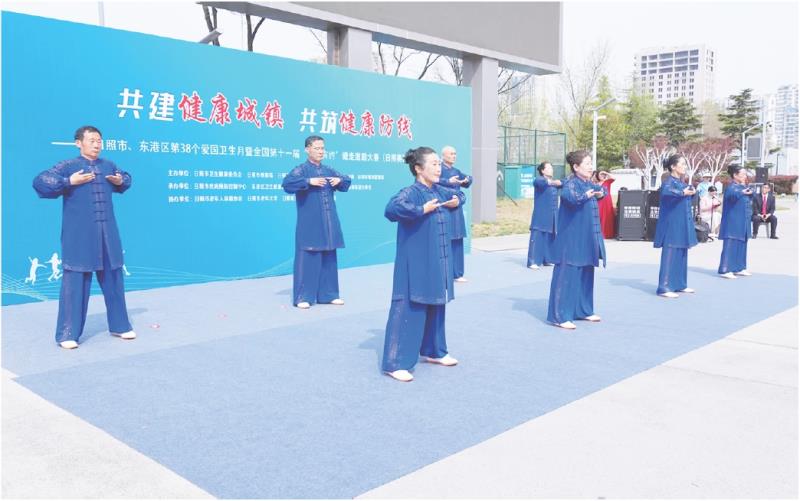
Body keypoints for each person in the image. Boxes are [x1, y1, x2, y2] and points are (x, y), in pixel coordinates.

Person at [32, 125, 136, 349]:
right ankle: (67, 333)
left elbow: (127, 179)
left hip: (108, 233)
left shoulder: (108, 165)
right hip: (79, 235)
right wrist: (69, 182)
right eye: (92, 140)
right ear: (78, 143)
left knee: (114, 278)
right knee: (75, 282)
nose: (97, 144)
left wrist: (120, 181)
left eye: (99, 140)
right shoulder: (68, 166)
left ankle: (120, 325)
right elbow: (41, 181)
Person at [382, 147, 465, 382]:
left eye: (439, 164)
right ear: (418, 168)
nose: (439, 168)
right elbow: (391, 209)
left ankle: (434, 351)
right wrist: (421, 210)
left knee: (437, 302)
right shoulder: (410, 192)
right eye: (434, 164)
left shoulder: (439, 189)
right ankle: (396, 362)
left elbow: (460, 195)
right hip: (415, 262)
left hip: (437, 259)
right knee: (409, 306)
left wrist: (456, 201)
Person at [282, 136, 352, 309]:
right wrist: (308, 181)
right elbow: (287, 184)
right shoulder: (301, 170)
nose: (321, 152)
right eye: (317, 148)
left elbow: (346, 180)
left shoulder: (328, 169)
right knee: (308, 257)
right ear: (307, 149)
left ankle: (329, 295)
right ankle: (303, 296)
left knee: (329, 256)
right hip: (310, 223)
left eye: (322, 148)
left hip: (329, 222)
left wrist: (340, 180)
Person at [546, 150, 606, 330]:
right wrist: (588, 195)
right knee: (567, 274)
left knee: (586, 272)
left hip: (587, 235)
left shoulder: (588, 182)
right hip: (571, 238)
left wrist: (599, 190)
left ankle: (583, 310)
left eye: (591, 163)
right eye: (587, 163)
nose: (591, 167)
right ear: (576, 167)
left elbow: (602, 191)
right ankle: (559, 315)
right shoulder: (571, 183)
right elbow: (570, 198)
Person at [653, 154, 698, 298]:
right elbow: (666, 192)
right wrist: (682, 192)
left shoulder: (681, 182)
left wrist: (692, 192)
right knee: (670, 252)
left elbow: (688, 195)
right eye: (682, 164)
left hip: (682, 223)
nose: (685, 167)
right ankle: (664, 286)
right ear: (673, 166)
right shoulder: (668, 182)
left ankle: (680, 284)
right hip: (672, 224)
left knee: (682, 252)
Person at [437, 145, 473, 282]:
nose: (454, 156)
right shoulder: (439, 169)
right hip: (445, 209)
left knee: (457, 240)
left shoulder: (456, 171)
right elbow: (433, 182)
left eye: (455, 153)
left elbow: (468, 180)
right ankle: (444, 274)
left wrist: (466, 180)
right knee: (444, 241)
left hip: (457, 210)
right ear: (443, 155)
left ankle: (458, 274)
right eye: (451, 154)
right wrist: (448, 181)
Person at [718, 164, 754, 278]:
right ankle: (725, 269)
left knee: (742, 244)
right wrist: (742, 192)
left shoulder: (742, 187)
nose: (745, 176)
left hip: (743, 221)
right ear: (735, 175)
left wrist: (749, 193)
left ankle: (739, 267)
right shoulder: (731, 187)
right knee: (731, 244)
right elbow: (732, 196)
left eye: (745, 174)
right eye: (742, 174)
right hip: (733, 221)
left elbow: (749, 198)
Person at [527, 161, 561, 269]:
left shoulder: (553, 183)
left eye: (552, 168)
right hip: (541, 215)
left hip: (552, 216)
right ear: (542, 170)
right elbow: (539, 182)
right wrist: (554, 182)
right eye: (549, 168)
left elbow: (563, 183)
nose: (551, 170)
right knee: (537, 237)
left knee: (549, 237)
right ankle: (532, 261)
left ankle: (547, 259)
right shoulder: (540, 180)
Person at [593, 170, 616, 239]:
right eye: (601, 174)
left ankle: (608, 234)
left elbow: (614, 178)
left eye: (603, 174)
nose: (602, 175)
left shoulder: (607, 182)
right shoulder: (595, 184)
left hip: (607, 202)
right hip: (599, 201)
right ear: (597, 175)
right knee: (599, 216)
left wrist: (606, 173)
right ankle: (600, 234)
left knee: (608, 217)